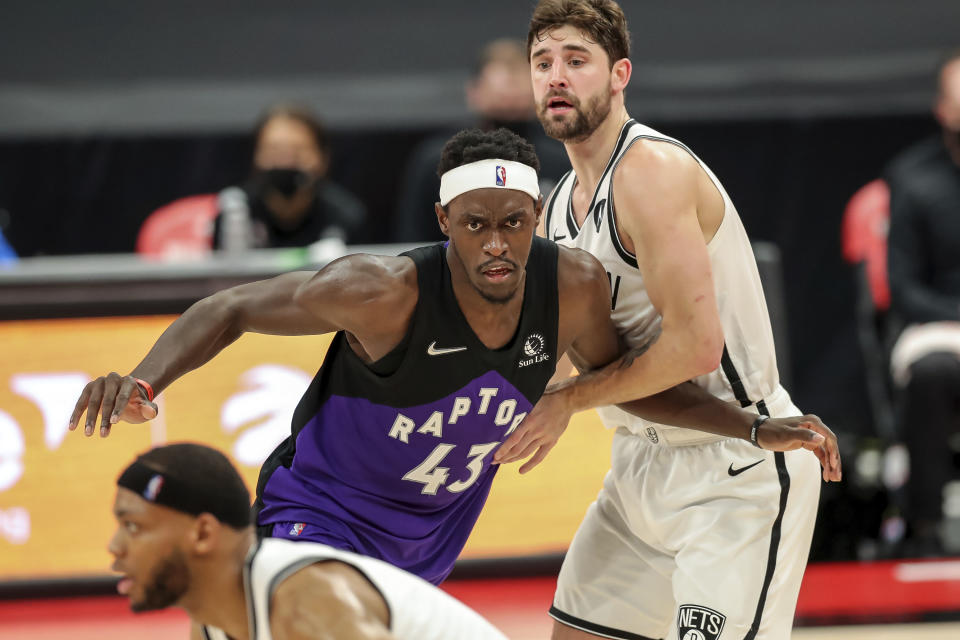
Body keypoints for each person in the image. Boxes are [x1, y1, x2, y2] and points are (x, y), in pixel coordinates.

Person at [72, 128, 836, 588]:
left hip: (431, 534)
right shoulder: (379, 291)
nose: (497, 244)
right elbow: (229, 307)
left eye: (514, 222)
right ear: (444, 220)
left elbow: (622, 387)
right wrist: (145, 377)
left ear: (539, 216)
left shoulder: (572, 286)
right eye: (475, 225)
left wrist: (751, 427)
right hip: (319, 508)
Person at [494, 2, 840, 638]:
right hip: (636, 469)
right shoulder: (556, 209)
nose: (556, 77)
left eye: (576, 61)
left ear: (620, 73)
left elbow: (695, 348)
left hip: (735, 467)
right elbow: (562, 359)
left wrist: (568, 401)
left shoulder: (650, 171)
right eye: (542, 63)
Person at [109, 442, 509, 640]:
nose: (114, 547)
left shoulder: (311, 604)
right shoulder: (211, 623)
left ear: (203, 533)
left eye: (133, 527)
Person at [886, 47, 960, 556]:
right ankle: (924, 525)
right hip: (938, 326)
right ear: (943, 109)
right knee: (933, 373)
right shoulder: (913, 179)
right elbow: (904, 287)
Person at [393, 39, 569, 243]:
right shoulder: (439, 162)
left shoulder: (564, 160)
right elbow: (411, 240)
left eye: (520, 81)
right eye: (502, 93)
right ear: (474, 92)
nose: (511, 92)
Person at [213, 104, 366, 251]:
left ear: (322, 157)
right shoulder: (234, 212)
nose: (285, 163)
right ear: (256, 156)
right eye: (274, 151)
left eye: (297, 152)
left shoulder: (345, 216)